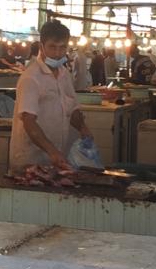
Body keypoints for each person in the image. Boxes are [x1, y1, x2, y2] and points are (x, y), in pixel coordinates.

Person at [9, 20, 93, 170]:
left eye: (62, 48)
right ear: (42, 47)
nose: (57, 54)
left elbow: (72, 108)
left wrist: (83, 128)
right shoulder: (31, 78)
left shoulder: (64, 74)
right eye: (52, 47)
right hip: (30, 160)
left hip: (57, 159)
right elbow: (28, 121)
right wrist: (52, 151)